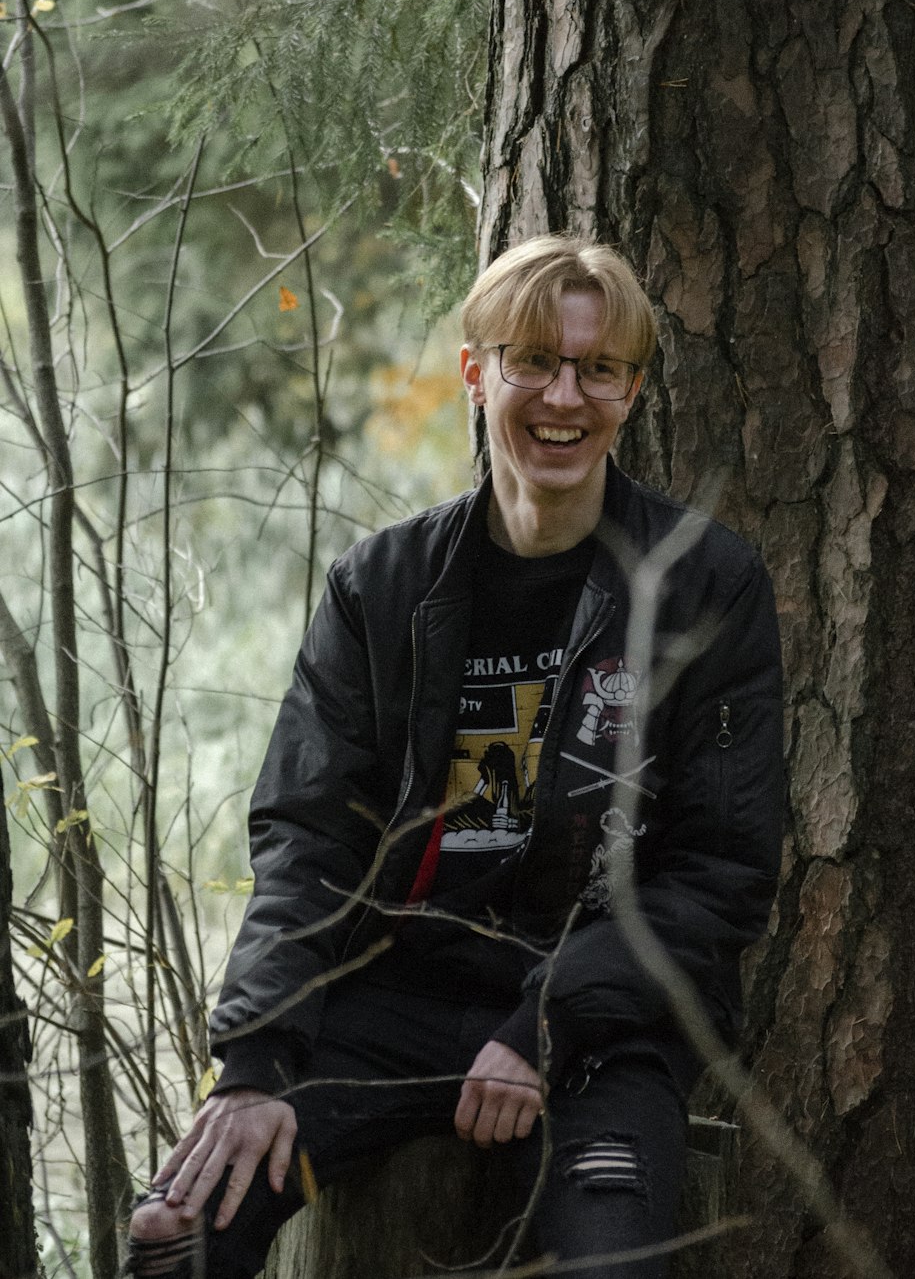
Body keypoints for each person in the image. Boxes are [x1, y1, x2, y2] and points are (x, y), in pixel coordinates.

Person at [126, 234, 784, 1279]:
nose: (562, 397)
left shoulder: (705, 584)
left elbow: (720, 871)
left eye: (596, 369)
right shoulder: (381, 586)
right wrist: (254, 1063)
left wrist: (543, 1026)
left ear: (631, 392)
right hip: (392, 1005)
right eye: (532, 359)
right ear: (476, 373)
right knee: (179, 1236)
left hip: (601, 1027)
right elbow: (309, 837)